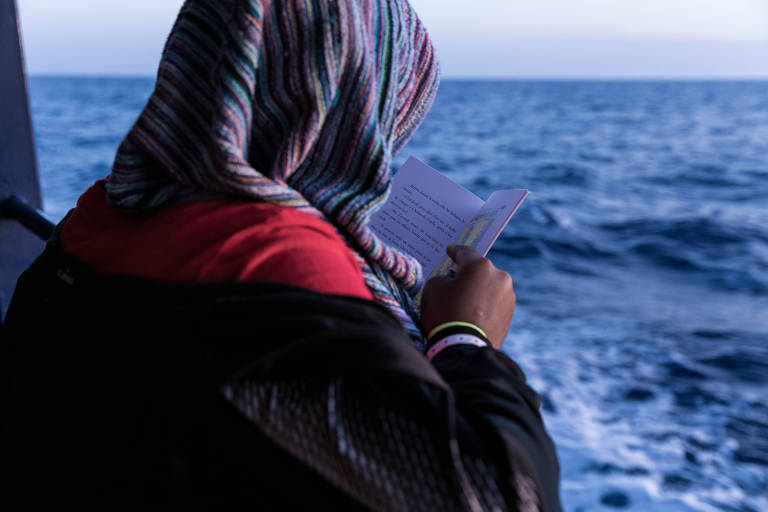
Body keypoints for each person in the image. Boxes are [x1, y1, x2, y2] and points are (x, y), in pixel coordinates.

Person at [2, 0, 561, 510]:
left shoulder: (106, 215)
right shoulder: (274, 267)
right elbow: (502, 497)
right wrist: (465, 336)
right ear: (342, 113)